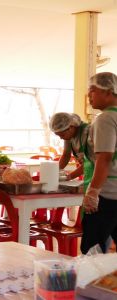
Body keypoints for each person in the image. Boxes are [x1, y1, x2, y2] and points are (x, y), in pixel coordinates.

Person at [81, 72, 117, 254]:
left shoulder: (105, 119)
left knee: (92, 250)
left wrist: (93, 192)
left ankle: (92, 283)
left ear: (109, 91)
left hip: (108, 194)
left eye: (92, 91)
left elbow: (105, 157)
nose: (89, 96)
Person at [49, 112, 94, 183]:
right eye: (59, 135)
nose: (61, 138)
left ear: (71, 127)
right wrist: (55, 172)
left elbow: (90, 162)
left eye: (62, 135)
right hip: (89, 173)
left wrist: (68, 177)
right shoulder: (69, 136)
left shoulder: (88, 133)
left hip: (103, 174)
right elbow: (66, 155)